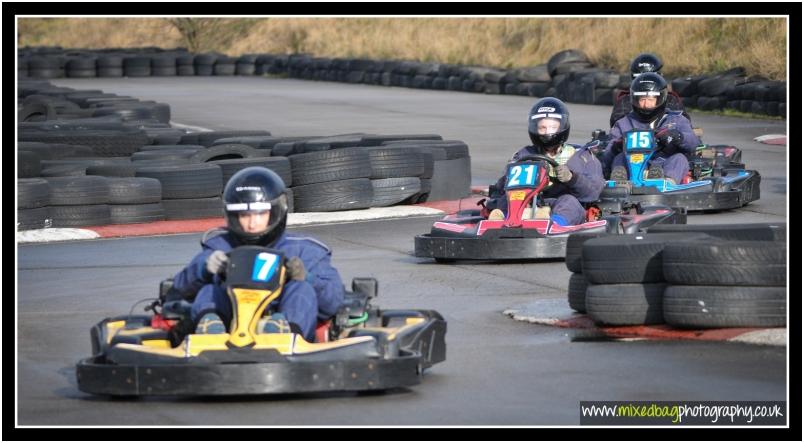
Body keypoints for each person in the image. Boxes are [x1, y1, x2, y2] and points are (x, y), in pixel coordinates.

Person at [171, 166, 344, 342]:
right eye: (244, 215)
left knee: (301, 288)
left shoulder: (305, 250)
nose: (252, 224)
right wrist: (204, 269)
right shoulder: (220, 246)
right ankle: (210, 331)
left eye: (260, 214)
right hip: (229, 324)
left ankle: (282, 333)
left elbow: (333, 301)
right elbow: (178, 289)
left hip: (287, 328)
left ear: (277, 211)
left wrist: (307, 278)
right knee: (209, 289)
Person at [483, 97, 605, 226]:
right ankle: (501, 222)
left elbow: (593, 192)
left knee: (569, 202)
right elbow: (501, 188)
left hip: (560, 204)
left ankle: (554, 224)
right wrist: (509, 177)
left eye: (552, 127)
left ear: (562, 127)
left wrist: (572, 178)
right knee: (506, 200)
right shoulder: (524, 154)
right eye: (542, 128)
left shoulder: (582, 156)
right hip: (527, 203)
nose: (547, 132)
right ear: (534, 128)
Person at [602, 72, 700, 184]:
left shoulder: (676, 120)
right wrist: (616, 146)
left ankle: (665, 181)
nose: (646, 104)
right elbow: (607, 157)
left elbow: (694, 144)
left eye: (650, 99)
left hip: (664, 163)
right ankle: (619, 184)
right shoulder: (624, 123)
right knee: (619, 158)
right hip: (632, 166)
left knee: (679, 158)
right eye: (642, 99)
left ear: (660, 99)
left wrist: (678, 137)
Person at [609, 53, 689, 127]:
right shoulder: (625, 99)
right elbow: (616, 122)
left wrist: (672, 132)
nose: (646, 104)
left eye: (650, 99)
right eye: (641, 76)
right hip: (633, 138)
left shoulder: (671, 99)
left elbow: (685, 124)